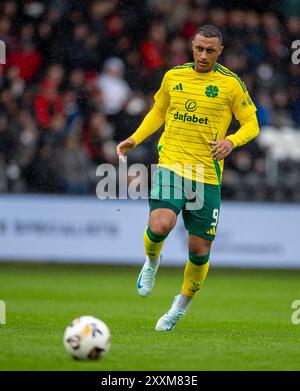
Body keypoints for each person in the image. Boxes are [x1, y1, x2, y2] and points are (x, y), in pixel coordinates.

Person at [116, 25, 259, 331]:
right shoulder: (174, 76)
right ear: (192, 46)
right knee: (160, 224)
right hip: (172, 165)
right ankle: (151, 263)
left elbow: (251, 124)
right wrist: (135, 139)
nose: (203, 55)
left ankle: (178, 308)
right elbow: (159, 112)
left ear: (220, 51)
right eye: (199, 48)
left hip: (206, 176)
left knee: (199, 251)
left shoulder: (231, 85)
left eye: (210, 50)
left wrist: (231, 141)